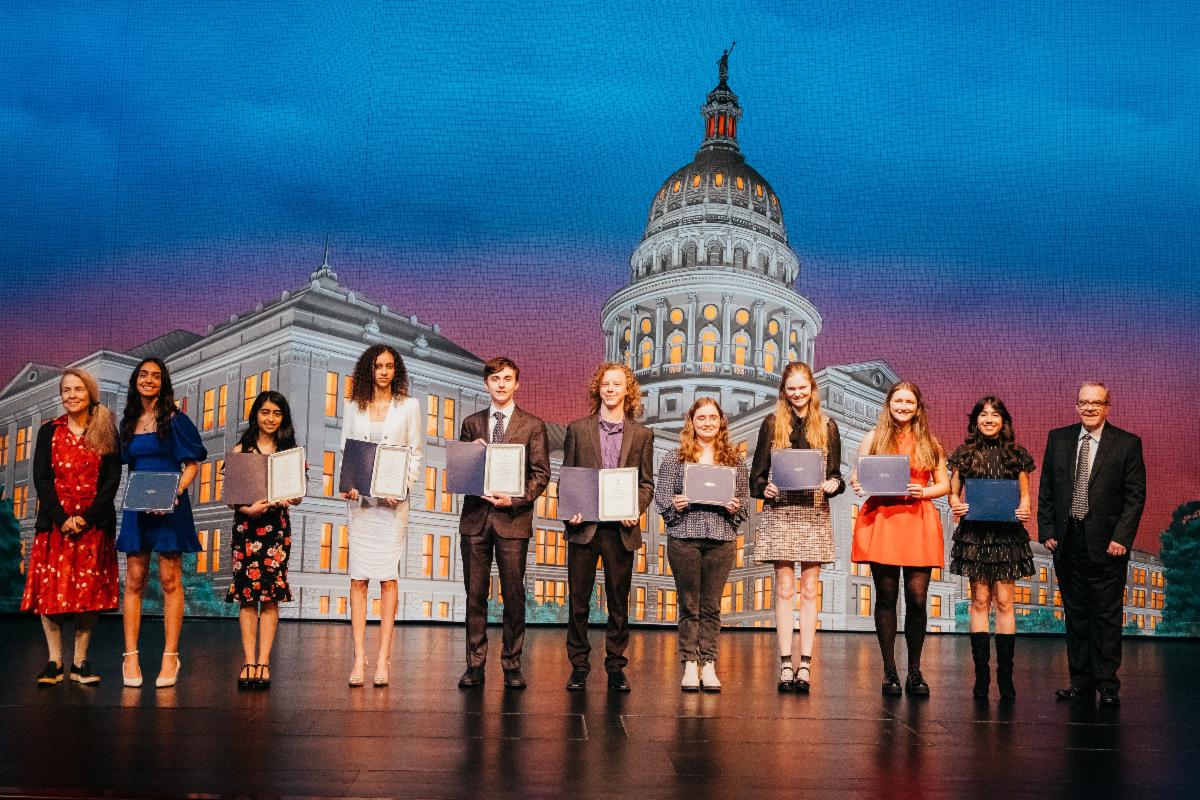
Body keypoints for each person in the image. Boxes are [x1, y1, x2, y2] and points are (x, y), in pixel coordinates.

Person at [1038, 382, 1145, 706]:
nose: (1089, 408)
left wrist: (1121, 539)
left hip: (1108, 546)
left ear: (1107, 407)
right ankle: (1081, 684)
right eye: (1084, 402)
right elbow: (1047, 491)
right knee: (1076, 616)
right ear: (1076, 406)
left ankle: (1108, 687)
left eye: (1096, 403)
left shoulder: (1127, 444)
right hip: (1067, 543)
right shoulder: (1059, 439)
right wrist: (1047, 532)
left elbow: (1134, 497)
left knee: (1106, 617)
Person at [22, 368, 121, 686]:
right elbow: (41, 478)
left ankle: (80, 662)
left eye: (78, 389)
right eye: (66, 390)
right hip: (55, 527)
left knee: (87, 597)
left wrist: (87, 518)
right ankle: (54, 661)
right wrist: (61, 518)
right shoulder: (49, 431)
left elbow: (111, 480)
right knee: (51, 594)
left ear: (90, 393)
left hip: (93, 527)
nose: (71, 395)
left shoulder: (105, 429)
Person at [457, 356, 550, 690]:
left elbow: (542, 474)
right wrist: (472, 458)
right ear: (486, 383)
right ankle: (475, 664)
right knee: (475, 596)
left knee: (513, 595)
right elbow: (461, 473)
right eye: (494, 378)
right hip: (475, 521)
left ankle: (512, 663)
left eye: (507, 378)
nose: (500, 384)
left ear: (517, 384)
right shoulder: (471, 423)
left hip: (513, 520)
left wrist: (516, 499)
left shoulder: (532, 425)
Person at [750, 362, 844, 693]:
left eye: (802, 387)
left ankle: (805, 664)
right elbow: (756, 477)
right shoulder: (771, 423)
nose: (797, 392)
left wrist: (833, 484)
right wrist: (766, 488)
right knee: (785, 588)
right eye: (791, 387)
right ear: (784, 391)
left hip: (814, 511)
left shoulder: (828, 426)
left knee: (808, 589)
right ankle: (785, 663)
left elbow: (837, 475)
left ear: (812, 388)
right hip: (781, 512)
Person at [850, 381, 949, 696]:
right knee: (886, 597)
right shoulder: (873, 438)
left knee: (917, 599)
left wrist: (925, 490)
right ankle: (890, 671)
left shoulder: (930, 442)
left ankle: (915, 672)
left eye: (909, 402)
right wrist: (857, 482)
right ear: (889, 404)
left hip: (917, 520)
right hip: (884, 519)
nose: (904, 406)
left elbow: (944, 484)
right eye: (899, 401)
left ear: (917, 407)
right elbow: (858, 475)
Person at [562, 362, 654, 693]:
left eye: (616, 384)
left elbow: (646, 484)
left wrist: (635, 508)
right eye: (605, 383)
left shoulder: (642, 435)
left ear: (627, 390)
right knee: (579, 601)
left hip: (620, 532)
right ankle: (579, 665)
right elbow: (568, 477)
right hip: (584, 528)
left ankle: (616, 666)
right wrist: (571, 509)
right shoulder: (577, 429)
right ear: (598, 388)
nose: (610, 389)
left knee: (618, 601)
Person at [117, 357, 206, 689]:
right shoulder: (128, 421)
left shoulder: (175, 419)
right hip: (137, 508)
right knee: (135, 580)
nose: (149, 380)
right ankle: (131, 656)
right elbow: (122, 463)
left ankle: (171, 656)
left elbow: (193, 464)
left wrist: (172, 493)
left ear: (164, 382)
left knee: (170, 579)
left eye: (156, 376)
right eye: (144, 375)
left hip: (171, 505)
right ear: (136, 381)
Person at [339, 345, 423, 688]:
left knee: (388, 580)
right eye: (378, 366)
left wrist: (401, 488)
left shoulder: (410, 406)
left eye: (389, 366)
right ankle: (359, 657)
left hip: (391, 507)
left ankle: (383, 659)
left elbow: (416, 454)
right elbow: (348, 450)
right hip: (361, 506)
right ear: (368, 370)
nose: (384, 372)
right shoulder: (352, 405)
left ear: (396, 370)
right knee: (359, 580)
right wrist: (348, 485)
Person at [654, 397, 749, 692]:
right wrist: (676, 504)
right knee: (688, 604)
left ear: (721, 421)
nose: (707, 423)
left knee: (711, 606)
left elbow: (745, 500)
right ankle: (689, 664)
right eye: (701, 418)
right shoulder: (675, 457)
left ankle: (708, 662)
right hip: (685, 536)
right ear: (691, 422)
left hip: (721, 538)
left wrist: (736, 506)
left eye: (712, 417)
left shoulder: (734, 459)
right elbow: (661, 497)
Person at [946, 396, 1036, 700]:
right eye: (984, 414)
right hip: (975, 535)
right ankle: (982, 676)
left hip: (1007, 535)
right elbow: (953, 493)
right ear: (975, 421)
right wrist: (956, 504)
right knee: (980, 601)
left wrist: (1024, 507)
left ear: (1003, 421)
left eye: (995, 415)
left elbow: (1025, 495)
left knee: (1005, 603)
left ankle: (1006, 678)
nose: (989, 419)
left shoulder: (1016, 455)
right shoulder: (965, 453)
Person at [225, 391, 302, 690]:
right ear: (256, 414)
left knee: (271, 596)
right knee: (247, 597)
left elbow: (296, 497)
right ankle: (248, 661)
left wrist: (292, 495)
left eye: (276, 413)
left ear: (283, 418)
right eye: (265, 412)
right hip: (247, 528)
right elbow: (231, 496)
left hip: (276, 530)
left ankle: (264, 662)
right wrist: (247, 508)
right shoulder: (240, 449)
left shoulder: (289, 451)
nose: (270, 418)